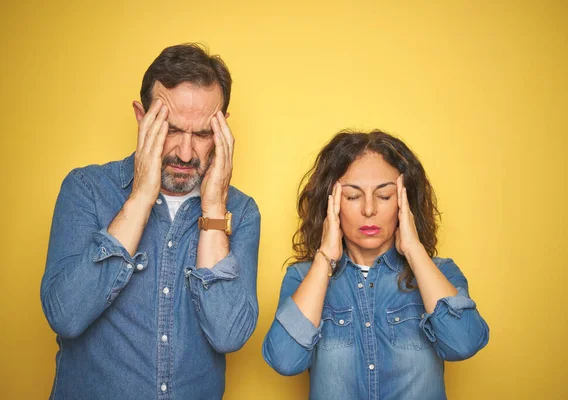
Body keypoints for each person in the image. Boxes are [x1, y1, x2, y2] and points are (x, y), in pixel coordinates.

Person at [41, 43, 260, 399]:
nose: (186, 153)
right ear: (142, 117)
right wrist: (141, 197)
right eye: (171, 129)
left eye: (203, 134)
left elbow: (228, 334)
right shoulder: (86, 189)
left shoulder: (242, 212)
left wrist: (215, 210)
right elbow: (66, 315)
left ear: (222, 130)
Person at [262, 130, 489, 400]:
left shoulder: (440, 272)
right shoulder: (303, 277)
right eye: (353, 196)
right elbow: (285, 361)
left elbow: (463, 344)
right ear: (331, 204)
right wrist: (325, 256)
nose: (369, 210)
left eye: (384, 196)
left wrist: (414, 250)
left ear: (404, 203)